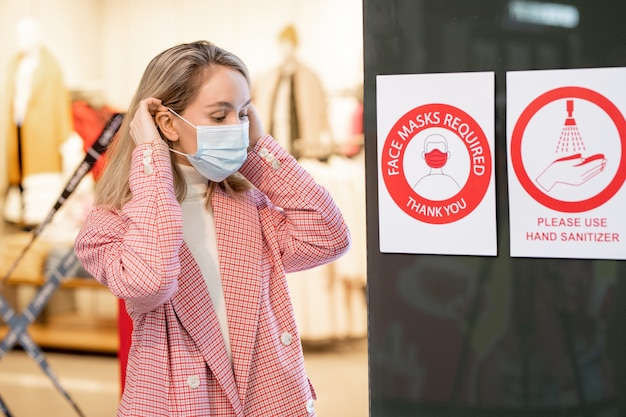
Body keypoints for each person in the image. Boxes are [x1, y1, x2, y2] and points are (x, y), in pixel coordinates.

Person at [74, 40, 351, 416]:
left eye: (242, 114)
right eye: (220, 117)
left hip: (267, 399)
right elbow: (150, 281)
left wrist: (259, 149)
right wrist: (151, 159)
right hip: (179, 405)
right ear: (168, 123)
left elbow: (328, 237)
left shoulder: (250, 205)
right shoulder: (111, 223)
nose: (235, 128)